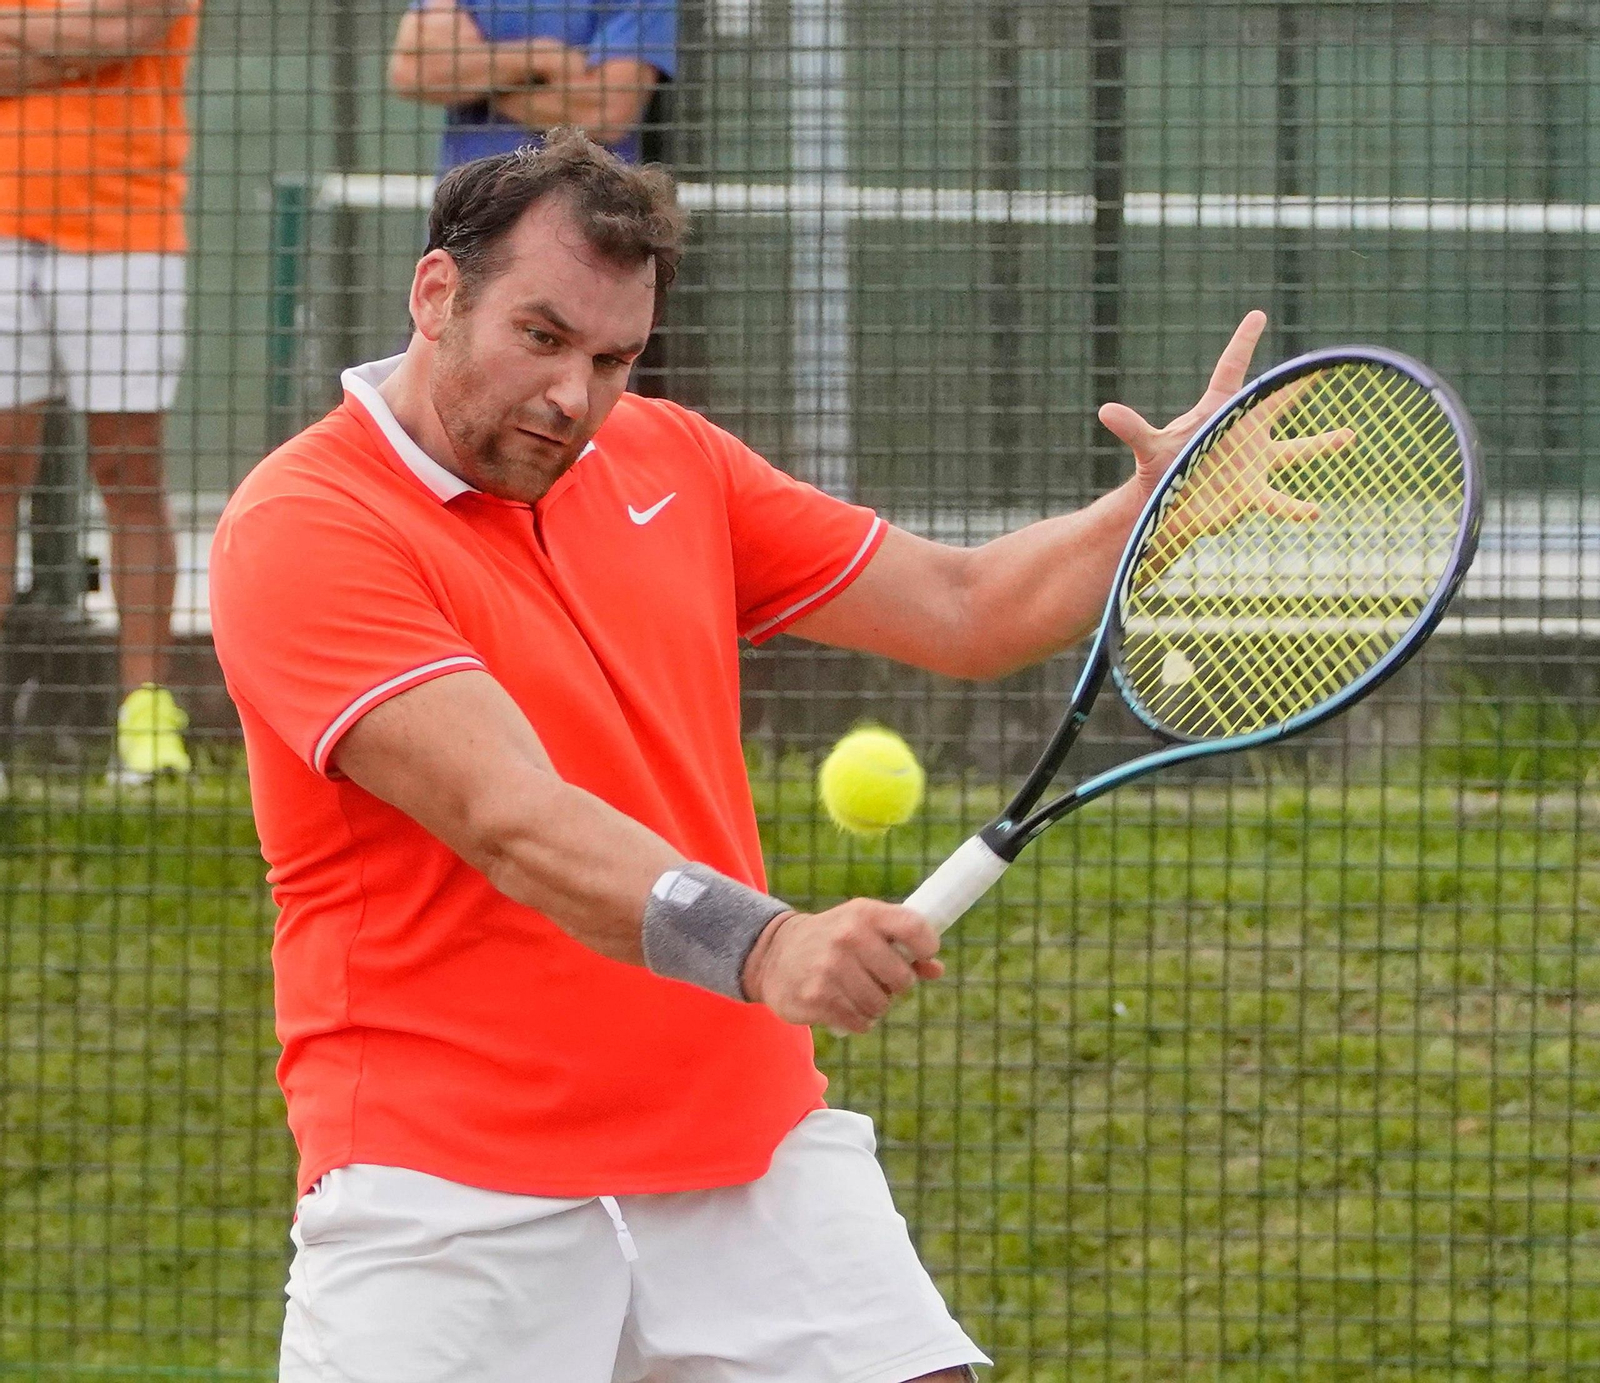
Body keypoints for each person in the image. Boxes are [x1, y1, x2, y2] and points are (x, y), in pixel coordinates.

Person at [208, 132, 1305, 1382]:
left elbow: (961, 607)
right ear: (436, 294)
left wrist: (1148, 515)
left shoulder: (666, 458)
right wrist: (769, 943)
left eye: (614, 358)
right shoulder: (305, 526)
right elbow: (509, 814)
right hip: (447, 1176)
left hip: (742, 1133)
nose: (576, 395)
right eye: (544, 337)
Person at [0, 0, 199, 784]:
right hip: (3, 233)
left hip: (129, 235)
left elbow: (129, 27)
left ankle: (145, 715)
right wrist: (80, 48)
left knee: (128, 472)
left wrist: (26, 43)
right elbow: (102, 37)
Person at [388, 0, 674, 170]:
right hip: (470, 223)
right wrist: (542, 56)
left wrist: (476, 80)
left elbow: (605, 109)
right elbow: (414, 71)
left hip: (589, 222)